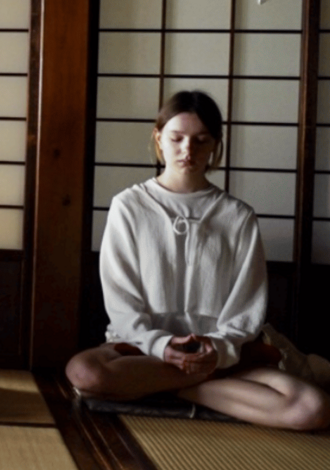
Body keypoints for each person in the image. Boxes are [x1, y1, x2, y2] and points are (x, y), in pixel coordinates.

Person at [66, 91, 329, 430]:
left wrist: (216, 350)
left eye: (200, 141)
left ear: (215, 146)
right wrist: (161, 346)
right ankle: (186, 385)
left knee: (313, 408)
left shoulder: (238, 216)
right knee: (83, 371)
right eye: (176, 139)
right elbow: (122, 305)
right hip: (142, 351)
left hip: (222, 356)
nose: (187, 151)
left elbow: (245, 311)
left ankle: (162, 389)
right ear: (159, 139)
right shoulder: (128, 207)